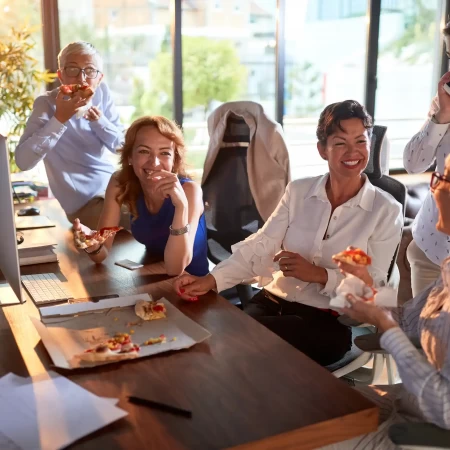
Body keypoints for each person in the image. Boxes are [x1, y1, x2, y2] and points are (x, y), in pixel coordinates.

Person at [174, 100, 403, 366]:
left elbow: (374, 287)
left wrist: (319, 275)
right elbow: (261, 245)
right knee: (215, 331)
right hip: (271, 303)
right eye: (340, 143)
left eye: (360, 141)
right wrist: (211, 280)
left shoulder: (386, 210)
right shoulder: (298, 192)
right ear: (322, 150)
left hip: (325, 322)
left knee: (236, 343)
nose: (352, 151)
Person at [322, 154, 450, 450]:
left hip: (425, 429)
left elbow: (444, 408)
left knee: (303, 439)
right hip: (406, 400)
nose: (434, 186)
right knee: (309, 403)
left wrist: (384, 326)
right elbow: (408, 319)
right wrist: (365, 285)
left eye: (443, 178)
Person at [74, 116, 209, 277]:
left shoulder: (189, 191)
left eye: (164, 153)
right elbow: (101, 254)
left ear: (174, 160)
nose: (154, 162)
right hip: (150, 279)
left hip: (194, 287)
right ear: (130, 156)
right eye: (144, 151)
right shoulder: (120, 182)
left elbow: (175, 269)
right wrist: (93, 244)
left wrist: (181, 207)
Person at [15, 41, 124, 230]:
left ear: (99, 78)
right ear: (60, 75)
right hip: (84, 201)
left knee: (164, 204)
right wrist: (59, 119)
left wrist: (100, 122)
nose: (82, 79)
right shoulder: (46, 104)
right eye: (73, 69)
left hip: (115, 185)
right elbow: (23, 161)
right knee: (145, 219)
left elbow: (121, 147)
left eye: (90, 71)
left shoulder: (103, 94)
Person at [403, 23, 450, 296]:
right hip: (428, 248)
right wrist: (440, 117)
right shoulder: (443, 103)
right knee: (425, 337)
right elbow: (413, 163)